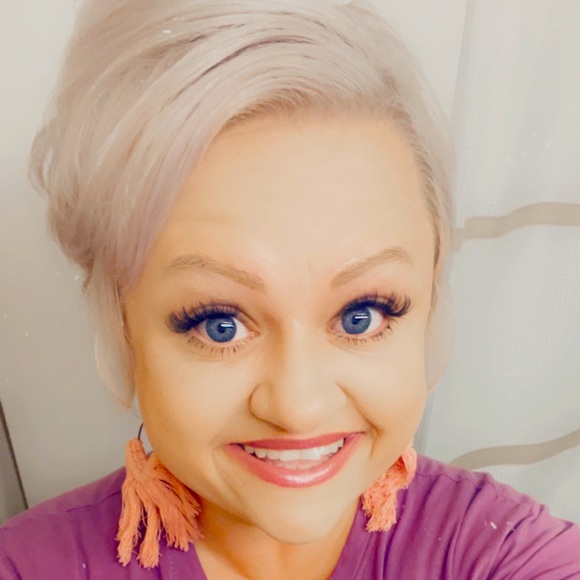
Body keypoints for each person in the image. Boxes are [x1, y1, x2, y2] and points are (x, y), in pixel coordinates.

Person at [1, 0, 579, 578]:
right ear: (122, 326)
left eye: (362, 315)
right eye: (219, 324)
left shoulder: (504, 551)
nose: (299, 408)